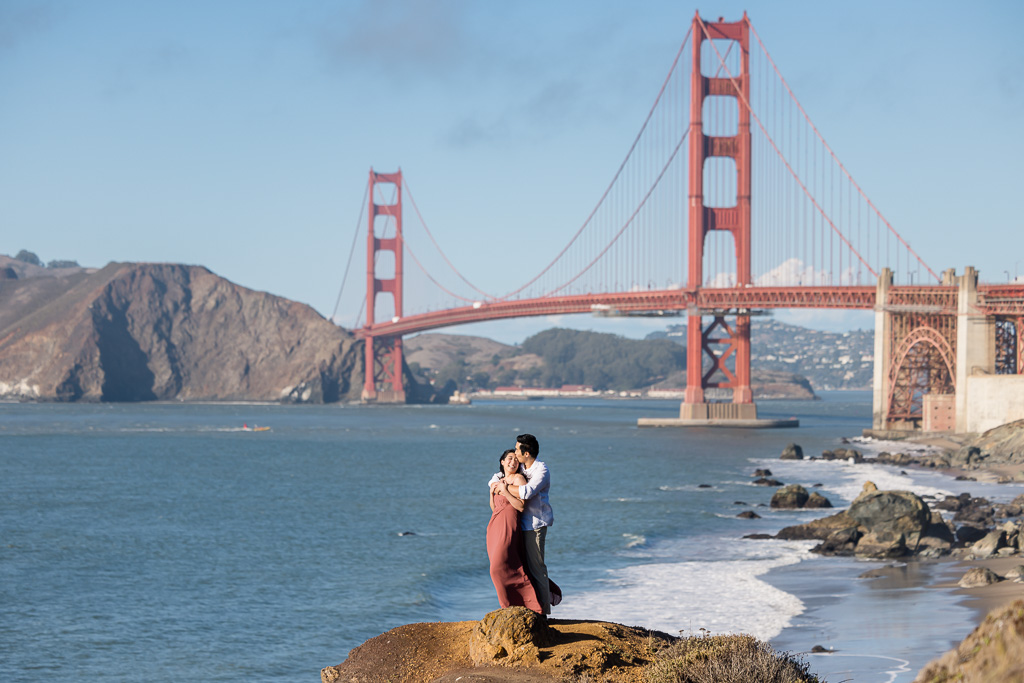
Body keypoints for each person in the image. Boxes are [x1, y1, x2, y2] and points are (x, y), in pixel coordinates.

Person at [490, 433, 554, 615]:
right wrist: (498, 483)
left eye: (517, 449)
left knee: (536, 568)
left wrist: (504, 487)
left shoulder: (541, 470)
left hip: (535, 525)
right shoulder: (524, 468)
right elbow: (495, 477)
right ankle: (528, 608)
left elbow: (526, 493)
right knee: (522, 568)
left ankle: (543, 613)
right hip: (518, 526)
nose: (515, 453)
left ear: (526, 453)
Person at [486, 449, 543, 613]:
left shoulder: (519, 478)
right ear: (502, 462)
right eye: (509, 459)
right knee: (503, 566)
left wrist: (504, 491)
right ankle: (510, 607)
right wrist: (491, 494)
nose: (513, 462)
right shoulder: (499, 480)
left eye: (516, 460)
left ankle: (518, 605)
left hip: (509, 524)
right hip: (494, 526)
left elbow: (520, 506)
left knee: (497, 568)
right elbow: (494, 508)